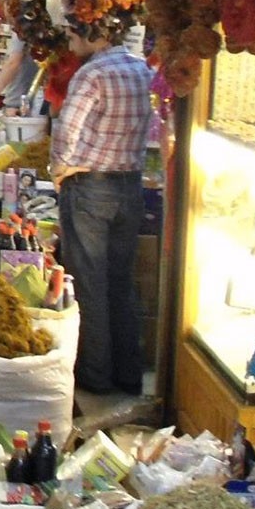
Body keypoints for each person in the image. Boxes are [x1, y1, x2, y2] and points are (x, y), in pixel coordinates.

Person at [53, 29, 154, 396]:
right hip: (130, 185)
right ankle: (129, 375)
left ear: (91, 32)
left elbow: (67, 133)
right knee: (120, 283)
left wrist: (59, 170)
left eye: (73, 32)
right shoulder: (142, 69)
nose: (69, 40)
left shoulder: (92, 74)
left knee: (90, 284)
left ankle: (95, 377)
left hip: (90, 185)